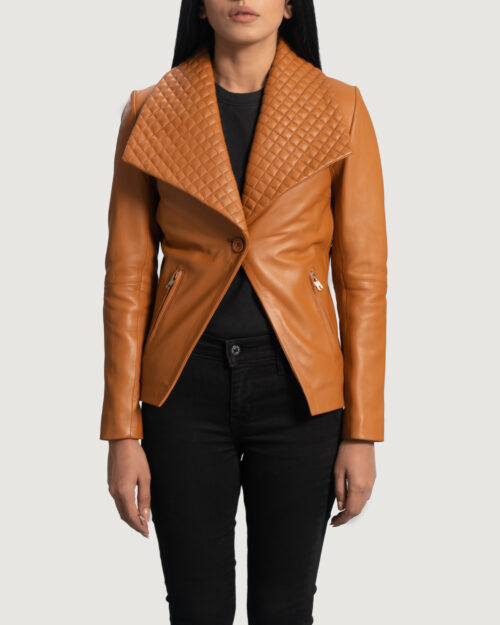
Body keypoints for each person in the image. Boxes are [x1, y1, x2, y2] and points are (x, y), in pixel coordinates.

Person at [100, 1, 388, 623]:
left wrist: (362, 430)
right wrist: (122, 431)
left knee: (285, 610)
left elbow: (362, 280)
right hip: (181, 390)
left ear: (289, 5)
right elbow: (126, 279)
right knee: (196, 611)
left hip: (302, 393)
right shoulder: (148, 111)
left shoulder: (340, 108)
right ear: (200, 5)